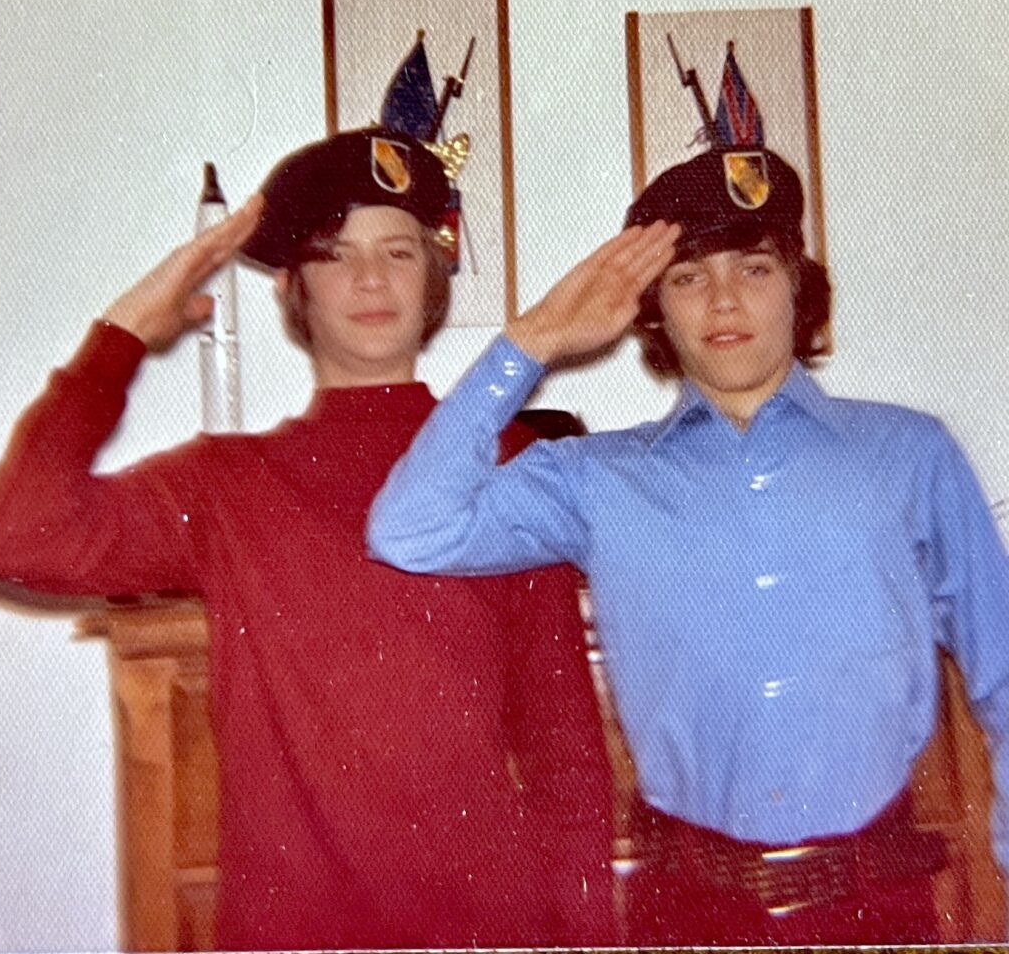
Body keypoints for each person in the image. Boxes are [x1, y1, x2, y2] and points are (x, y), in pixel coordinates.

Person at [0, 127, 614, 950]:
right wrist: (127, 330)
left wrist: (587, 931)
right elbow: (15, 535)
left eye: (397, 251)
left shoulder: (507, 461)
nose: (368, 278)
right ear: (294, 288)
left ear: (434, 275)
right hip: (292, 930)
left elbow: (563, 736)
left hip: (488, 926)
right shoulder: (227, 483)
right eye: (334, 254)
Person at [367, 143, 1009, 945]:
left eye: (754, 269)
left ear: (798, 289)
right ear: (655, 310)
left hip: (878, 901)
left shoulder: (911, 456)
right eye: (688, 277)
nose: (723, 301)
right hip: (690, 909)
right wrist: (532, 340)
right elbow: (408, 530)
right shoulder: (594, 478)